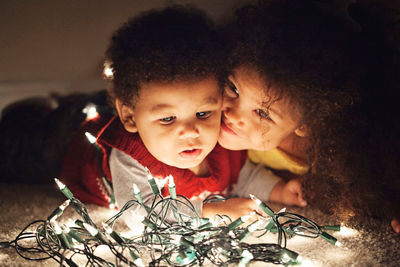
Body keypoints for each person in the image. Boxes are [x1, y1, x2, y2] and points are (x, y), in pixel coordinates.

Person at [60, 5, 305, 226]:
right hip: (71, 142)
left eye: (202, 113)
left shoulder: (223, 137)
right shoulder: (131, 157)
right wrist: (208, 211)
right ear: (130, 117)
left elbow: (243, 177)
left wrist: (280, 191)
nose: (190, 131)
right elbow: (136, 212)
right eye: (168, 118)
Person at [218, 0, 400, 233]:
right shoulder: (211, 124)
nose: (232, 114)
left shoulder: (341, 155)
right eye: (233, 88)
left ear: (307, 124)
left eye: (263, 112)